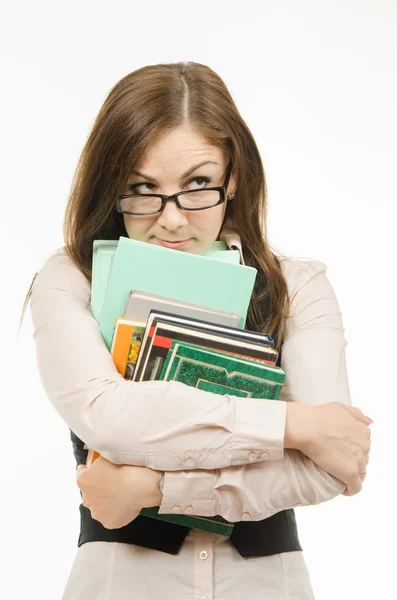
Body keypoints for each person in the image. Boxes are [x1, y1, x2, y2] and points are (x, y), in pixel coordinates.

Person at [21, 61, 372, 599]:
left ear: (233, 177)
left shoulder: (298, 286)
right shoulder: (72, 279)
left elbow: (329, 469)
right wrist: (295, 425)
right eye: (142, 188)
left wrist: (156, 487)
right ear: (110, 185)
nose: (172, 220)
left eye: (198, 184)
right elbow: (109, 418)